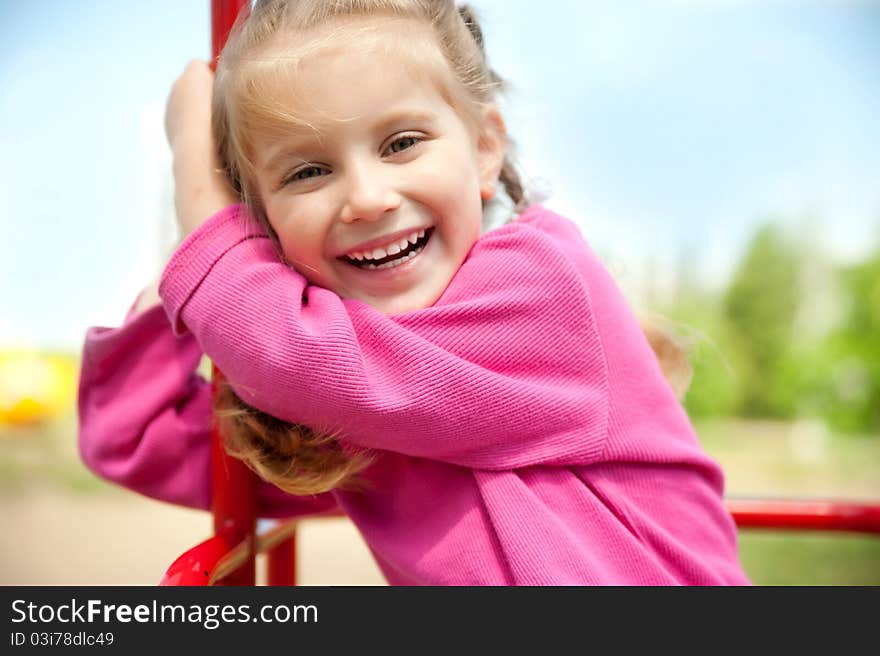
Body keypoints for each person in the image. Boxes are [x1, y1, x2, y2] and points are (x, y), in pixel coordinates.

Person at [78, 0, 749, 585]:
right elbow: (137, 439)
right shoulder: (363, 392)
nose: (368, 199)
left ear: (484, 149)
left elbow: (293, 354)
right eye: (310, 171)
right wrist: (184, 294)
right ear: (262, 226)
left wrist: (195, 172)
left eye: (401, 143)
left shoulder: (543, 281)